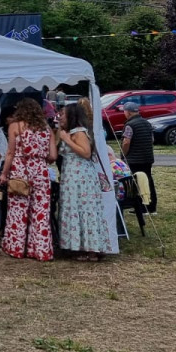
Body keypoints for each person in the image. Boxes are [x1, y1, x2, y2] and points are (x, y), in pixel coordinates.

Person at [0, 97, 55, 261]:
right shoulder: (46, 128)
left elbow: (10, 152)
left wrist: (4, 173)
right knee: (41, 212)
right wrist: (40, 159)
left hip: (20, 169)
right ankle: (41, 250)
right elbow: (53, 155)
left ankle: (16, 247)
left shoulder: (15, 126)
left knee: (18, 211)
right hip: (41, 171)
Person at [55, 104, 111, 261]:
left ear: (71, 116)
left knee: (84, 208)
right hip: (71, 176)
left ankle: (91, 248)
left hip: (81, 176)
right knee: (75, 207)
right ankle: (79, 247)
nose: (60, 117)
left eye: (63, 115)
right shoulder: (68, 132)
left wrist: (67, 140)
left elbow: (86, 153)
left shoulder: (79, 132)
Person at [120, 103, 156, 215]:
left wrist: (123, 154)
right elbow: (152, 140)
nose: (124, 113)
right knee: (148, 181)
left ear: (129, 112)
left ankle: (140, 207)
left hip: (135, 159)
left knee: (136, 183)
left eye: (124, 111)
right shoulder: (147, 123)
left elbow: (126, 141)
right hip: (147, 157)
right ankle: (151, 206)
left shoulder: (130, 125)